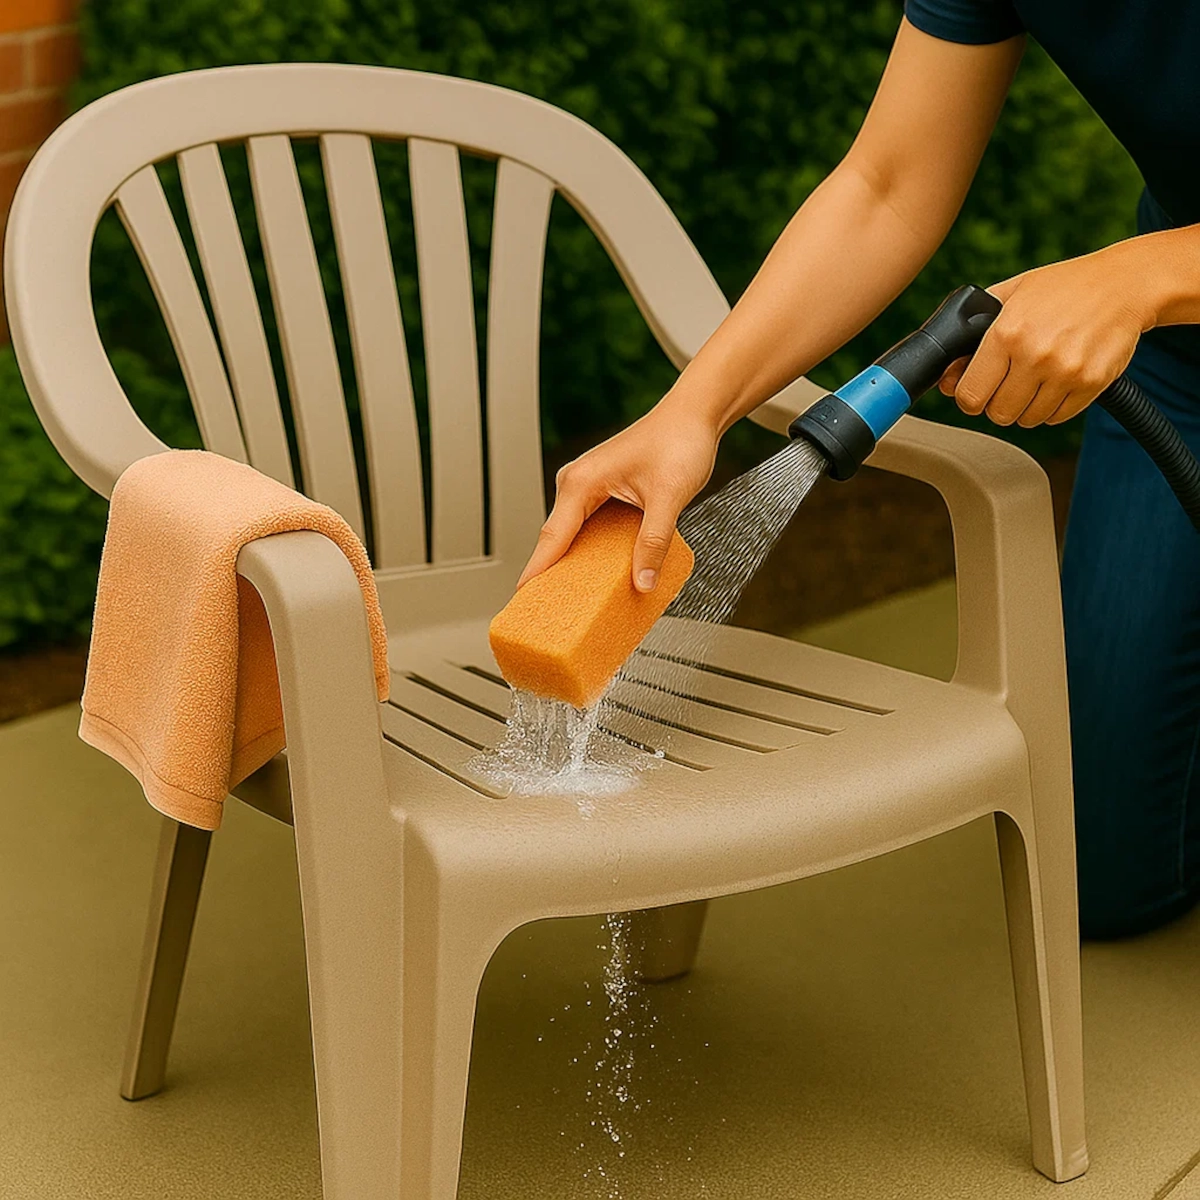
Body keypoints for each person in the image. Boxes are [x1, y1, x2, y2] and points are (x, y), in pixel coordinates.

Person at [518, 4, 1200, 939]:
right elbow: (888, 185)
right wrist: (692, 412)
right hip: (1186, 357)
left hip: (1170, 286)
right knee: (1102, 868)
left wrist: (1146, 275)